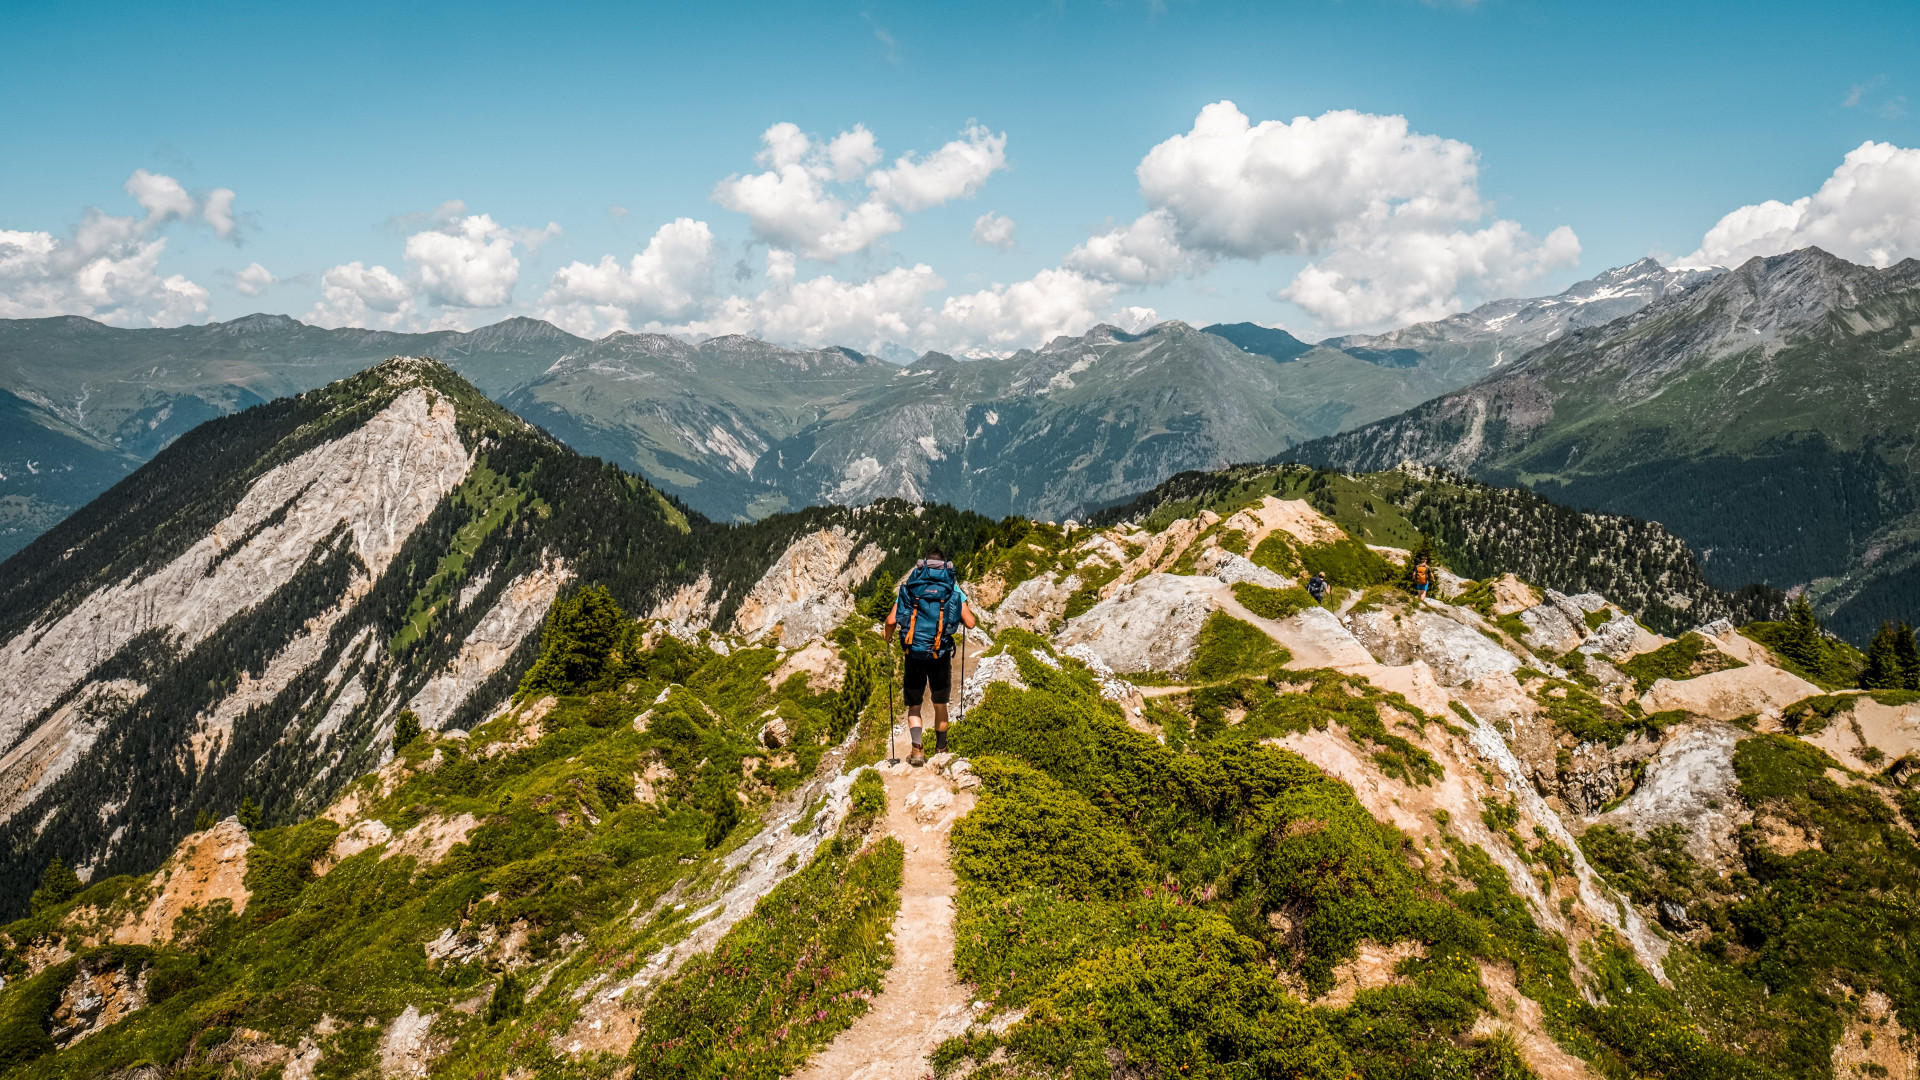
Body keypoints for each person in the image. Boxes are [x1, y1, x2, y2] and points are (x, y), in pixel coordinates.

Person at [884, 547, 978, 767]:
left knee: (914, 705)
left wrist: (887, 638)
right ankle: (941, 750)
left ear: (925, 565)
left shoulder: (912, 586)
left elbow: (891, 621)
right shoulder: (952, 587)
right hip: (940, 655)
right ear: (944, 566)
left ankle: (917, 750)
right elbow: (971, 623)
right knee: (940, 703)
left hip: (914, 654)